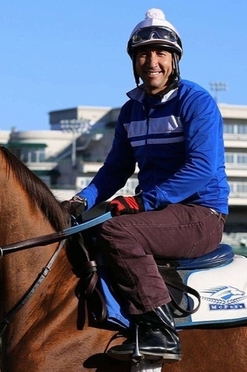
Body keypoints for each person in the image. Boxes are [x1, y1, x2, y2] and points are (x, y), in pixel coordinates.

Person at [62, 8, 229, 363]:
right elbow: (115, 168)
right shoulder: (130, 111)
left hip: (201, 215)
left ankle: (160, 330)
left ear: (174, 60)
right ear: (134, 62)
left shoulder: (197, 102)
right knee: (81, 234)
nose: (151, 61)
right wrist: (82, 199)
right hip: (158, 213)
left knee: (119, 233)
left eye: (160, 53)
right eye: (143, 53)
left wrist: (142, 202)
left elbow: (201, 168)